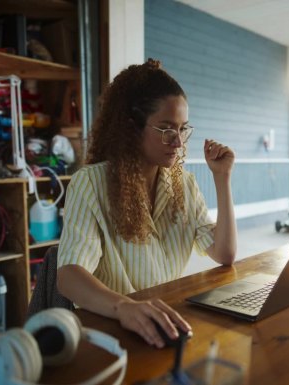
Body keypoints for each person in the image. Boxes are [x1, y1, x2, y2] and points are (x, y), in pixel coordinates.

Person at [57, 59, 237, 348]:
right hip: (110, 330)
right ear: (132, 128)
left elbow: (224, 253)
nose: (178, 142)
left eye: (183, 129)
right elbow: (68, 276)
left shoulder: (183, 185)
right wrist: (123, 306)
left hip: (165, 325)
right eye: (167, 129)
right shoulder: (91, 183)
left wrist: (222, 178)